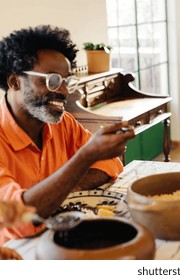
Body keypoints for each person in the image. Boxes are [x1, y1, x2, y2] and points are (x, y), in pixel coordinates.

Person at [0, 25, 135, 245]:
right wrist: (85, 157)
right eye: (52, 80)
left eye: (66, 81)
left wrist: (64, 189)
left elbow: (110, 163)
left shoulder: (62, 124)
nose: (63, 91)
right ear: (15, 81)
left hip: (63, 240)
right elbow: (17, 216)